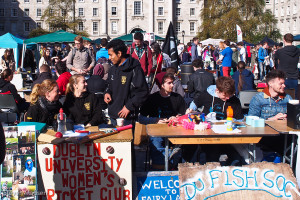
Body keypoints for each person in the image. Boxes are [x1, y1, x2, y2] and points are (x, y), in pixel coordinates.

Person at [139, 73, 186, 169]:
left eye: (172, 83)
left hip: (174, 130)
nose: (172, 85)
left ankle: (177, 166)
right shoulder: (152, 99)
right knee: (156, 141)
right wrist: (155, 120)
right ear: (161, 85)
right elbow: (141, 118)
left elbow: (185, 116)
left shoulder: (178, 98)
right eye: (169, 83)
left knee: (186, 143)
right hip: (157, 131)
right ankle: (161, 169)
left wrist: (178, 118)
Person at [104, 39, 149, 126]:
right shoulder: (112, 69)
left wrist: (129, 106)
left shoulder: (135, 69)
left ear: (119, 54)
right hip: (113, 115)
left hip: (128, 117)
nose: (109, 58)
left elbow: (142, 92)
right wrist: (107, 93)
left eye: (111, 55)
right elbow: (108, 85)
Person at [275, 33, 300, 98]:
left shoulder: (279, 52)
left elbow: (276, 64)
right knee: (294, 98)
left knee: (281, 98)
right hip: (294, 76)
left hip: (282, 77)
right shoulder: (297, 50)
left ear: (284, 40)